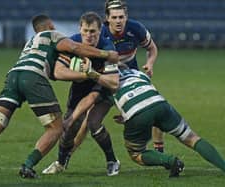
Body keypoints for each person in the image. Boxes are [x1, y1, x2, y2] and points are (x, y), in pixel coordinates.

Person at [0, 14, 119, 178]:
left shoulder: (30, 42)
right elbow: (73, 48)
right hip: (33, 77)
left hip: (13, 76)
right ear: (50, 25)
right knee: (56, 128)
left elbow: (57, 69)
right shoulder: (53, 34)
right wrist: (106, 55)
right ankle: (28, 166)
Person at [71, 0, 164, 155]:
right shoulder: (100, 33)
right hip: (106, 78)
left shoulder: (136, 28)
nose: (118, 21)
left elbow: (152, 48)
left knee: (155, 106)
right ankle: (65, 157)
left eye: (121, 17)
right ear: (107, 18)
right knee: (88, 120)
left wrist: (150, 63)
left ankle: (159, 152)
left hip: (130, 78)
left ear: (126, 17)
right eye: (114, 17)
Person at [42, 12, 120, 176]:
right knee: (70, 130)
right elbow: (59, 72)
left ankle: (112, 161)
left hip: (103, 86)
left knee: (93, 123)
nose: (88, 35)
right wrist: (85, 75)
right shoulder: (73, 42)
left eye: (93, 32)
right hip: (82, 85)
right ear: (80, 29)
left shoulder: (107, 47)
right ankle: (61, 163)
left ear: (100, 31)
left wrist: (93, 74)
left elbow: (113, 83)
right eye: (85, 31)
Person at [113, 65, 225, 177]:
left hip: (137, 114)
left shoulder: (108, 80)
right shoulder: (138, 73)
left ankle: (171, 161)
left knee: (136, 154)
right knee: (192, 138)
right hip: (160, 104)